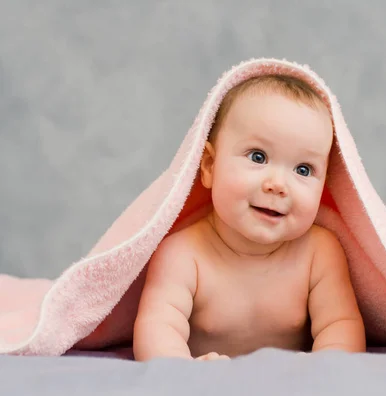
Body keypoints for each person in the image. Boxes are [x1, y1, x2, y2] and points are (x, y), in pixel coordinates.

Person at [133, 74, 365, 361]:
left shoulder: (319, 253)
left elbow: (340, 325)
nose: (278, 184)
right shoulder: (182, 255)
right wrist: (182, 372)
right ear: (208, 165)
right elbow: (158, 326)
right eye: (258, 157)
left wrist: (323, 370)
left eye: (303, 170)